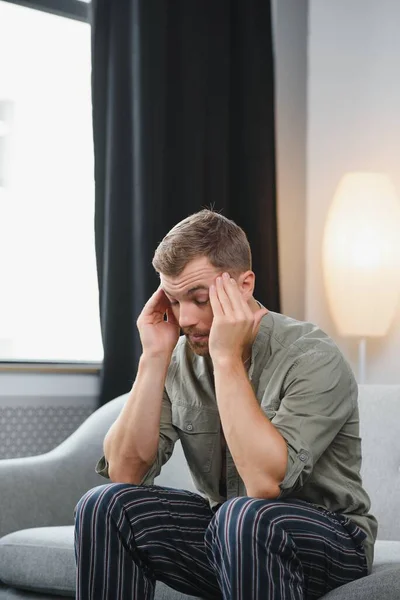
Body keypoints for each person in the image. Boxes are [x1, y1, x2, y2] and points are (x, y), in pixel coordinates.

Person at [74, 209, 377, 600]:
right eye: (175, 301)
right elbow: (126, 473)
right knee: (105, 505)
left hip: (331, 537)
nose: (186, 318)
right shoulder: (179, 355)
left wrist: (226, 359)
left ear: (245, 284)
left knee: (243, 516)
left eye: (200, 299)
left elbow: (263, 484)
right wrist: (153, 357)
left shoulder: (312, 357)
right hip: (229, 529)